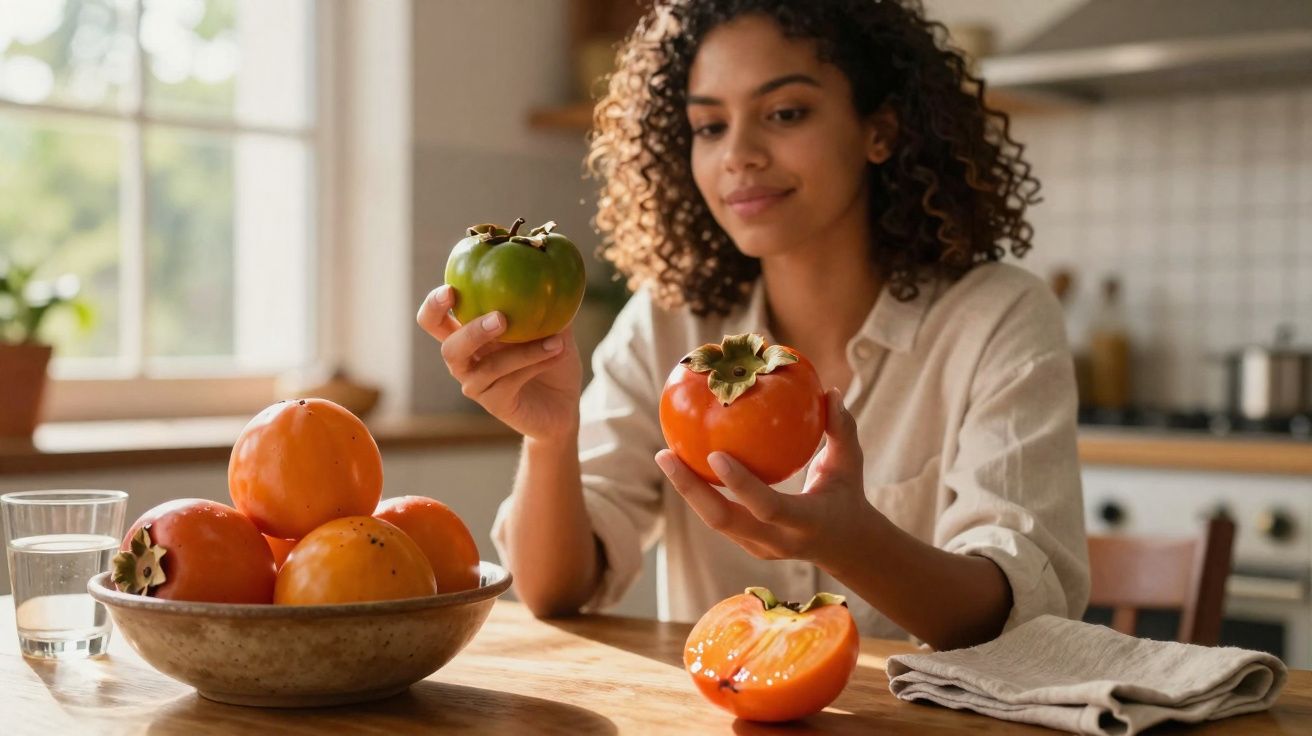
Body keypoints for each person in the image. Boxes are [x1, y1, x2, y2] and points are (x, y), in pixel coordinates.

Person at [416, 0, 1088, 652]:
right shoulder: (665, 318)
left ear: (880, 131)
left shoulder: (998, 316)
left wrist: (849, 542)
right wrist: (549, 439)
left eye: (786, 113)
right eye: (709, 126)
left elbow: (1016, 619)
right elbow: (554, 592)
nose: (738, 153)